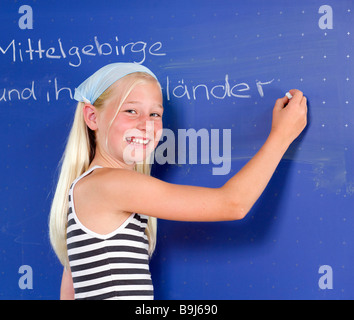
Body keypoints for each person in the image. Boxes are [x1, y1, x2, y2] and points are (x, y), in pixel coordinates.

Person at [49, 63, 307, 300]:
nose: (146, 125)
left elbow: (69, 294)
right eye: (130, 111)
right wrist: (282, 135)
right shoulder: (111, 184)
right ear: (92, 117)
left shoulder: (87, 187)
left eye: (155, 114)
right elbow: (233, 204)